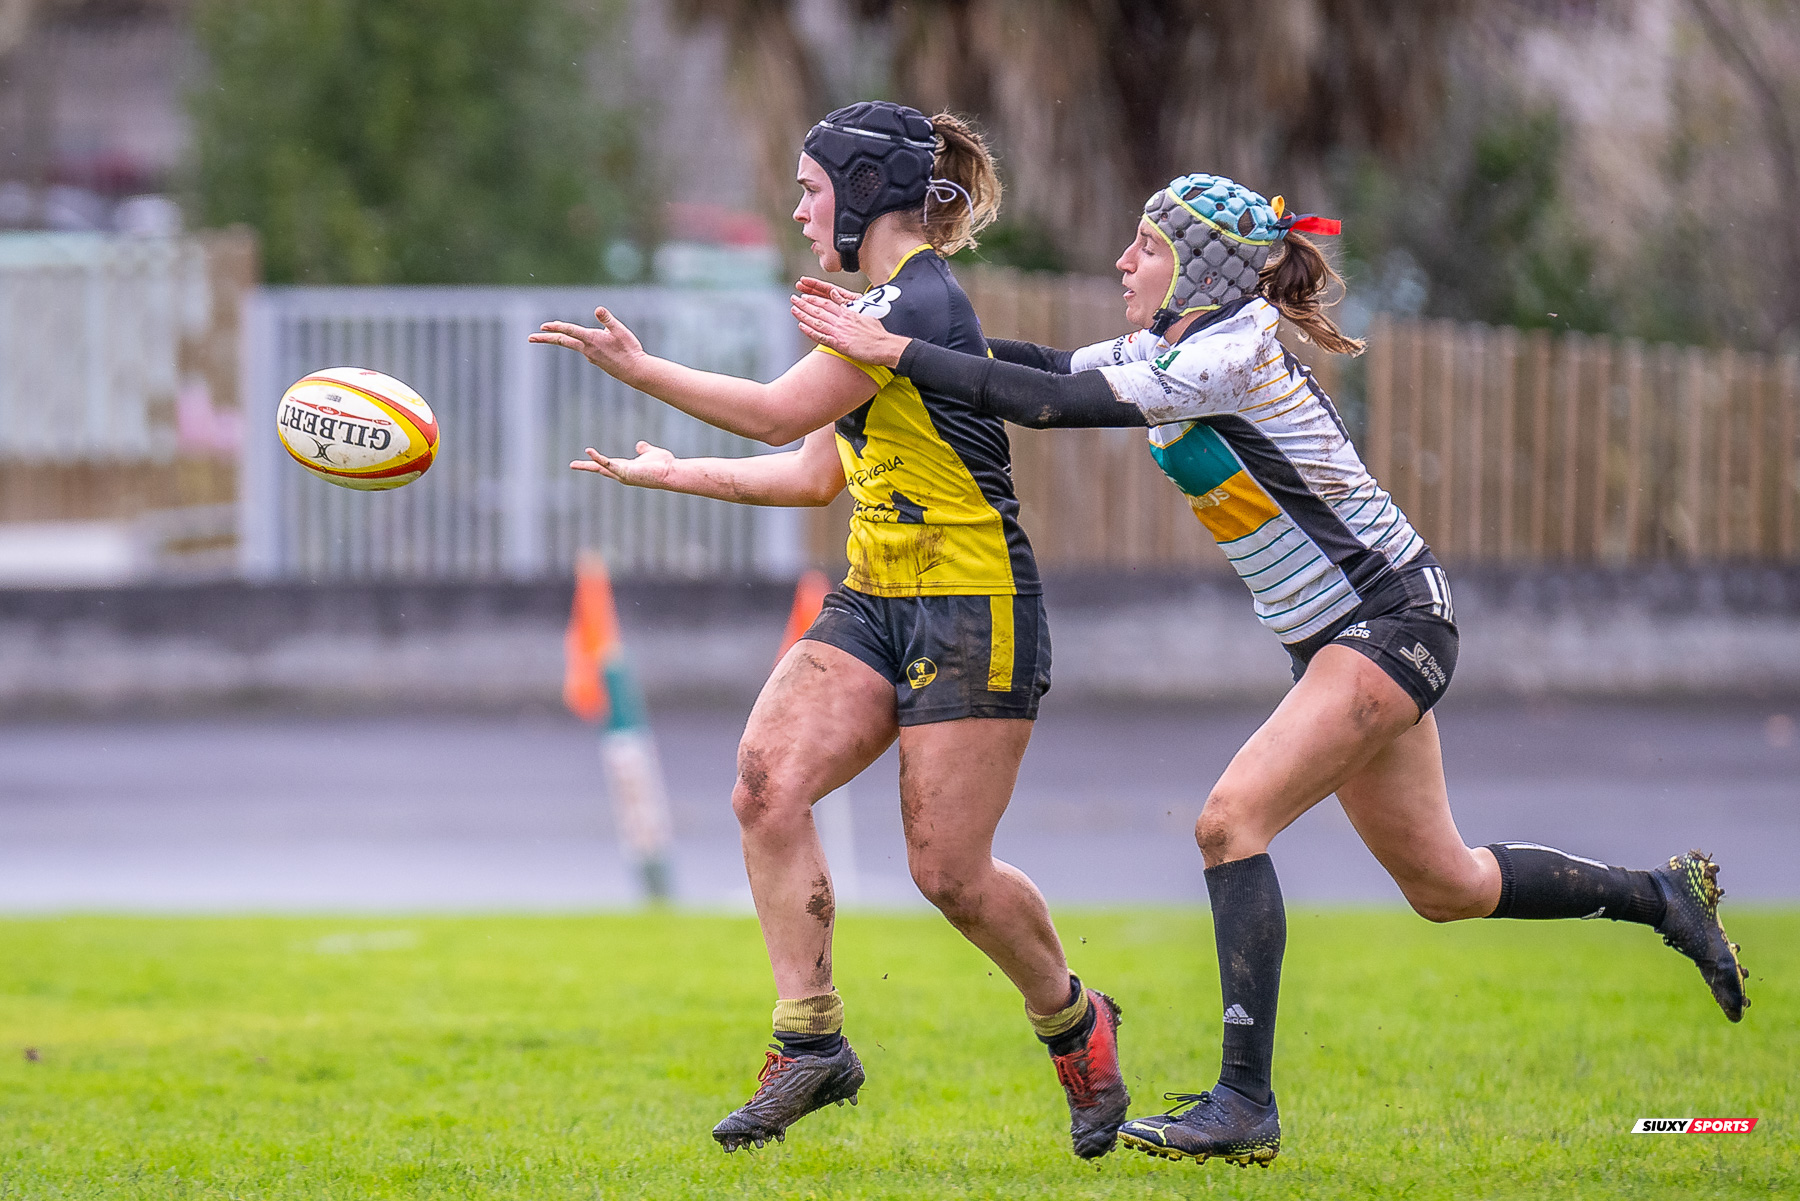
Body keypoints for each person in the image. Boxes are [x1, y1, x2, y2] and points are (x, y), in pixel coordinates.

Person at [791, 171, 1750, 1168]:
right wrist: (907, 341)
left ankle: (1245, 1103)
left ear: (1197, 268)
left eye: (1146, 247)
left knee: (1227, 822)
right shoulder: (1173, 346)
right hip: (1341, 638)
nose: (1124, 262)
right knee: (1445, 881)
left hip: (1387, 621)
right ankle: (1663, 894)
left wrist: (895, 347)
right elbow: (1031, 363)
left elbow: (1047, 403)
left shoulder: (1228, 355)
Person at [530, 101, 1129, 1158]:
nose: (801, 211)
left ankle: (1075, 1020)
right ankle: (811, 1041)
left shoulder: (918, 301)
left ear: (861, 194)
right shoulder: (871, 315)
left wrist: (641, 370)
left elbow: (774, 412)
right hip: (873, 596)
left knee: (949, 871)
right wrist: (672, 472)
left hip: (971, 600)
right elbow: (815, 472)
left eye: (811, 191)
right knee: (765, 785)